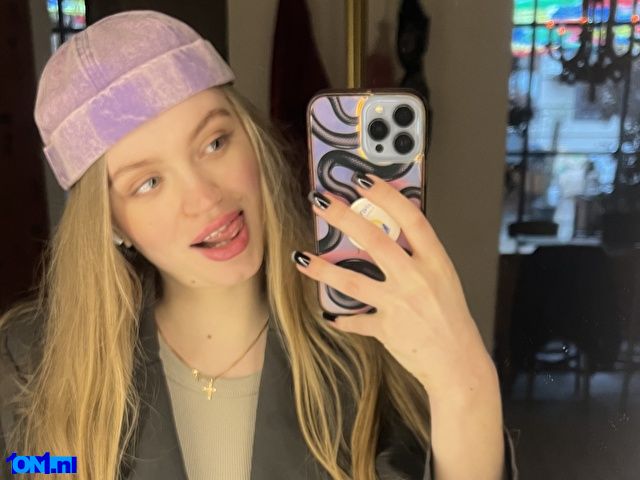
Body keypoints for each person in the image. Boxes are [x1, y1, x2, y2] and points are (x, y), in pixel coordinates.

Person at [0, 10, 518, 480]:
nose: (205, 198)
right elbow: (31, 466)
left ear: (250, 138)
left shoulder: (370, 330)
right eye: (148, 183)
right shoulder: (29, 361)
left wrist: (464, 382)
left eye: (215, 142)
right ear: (110, 223)